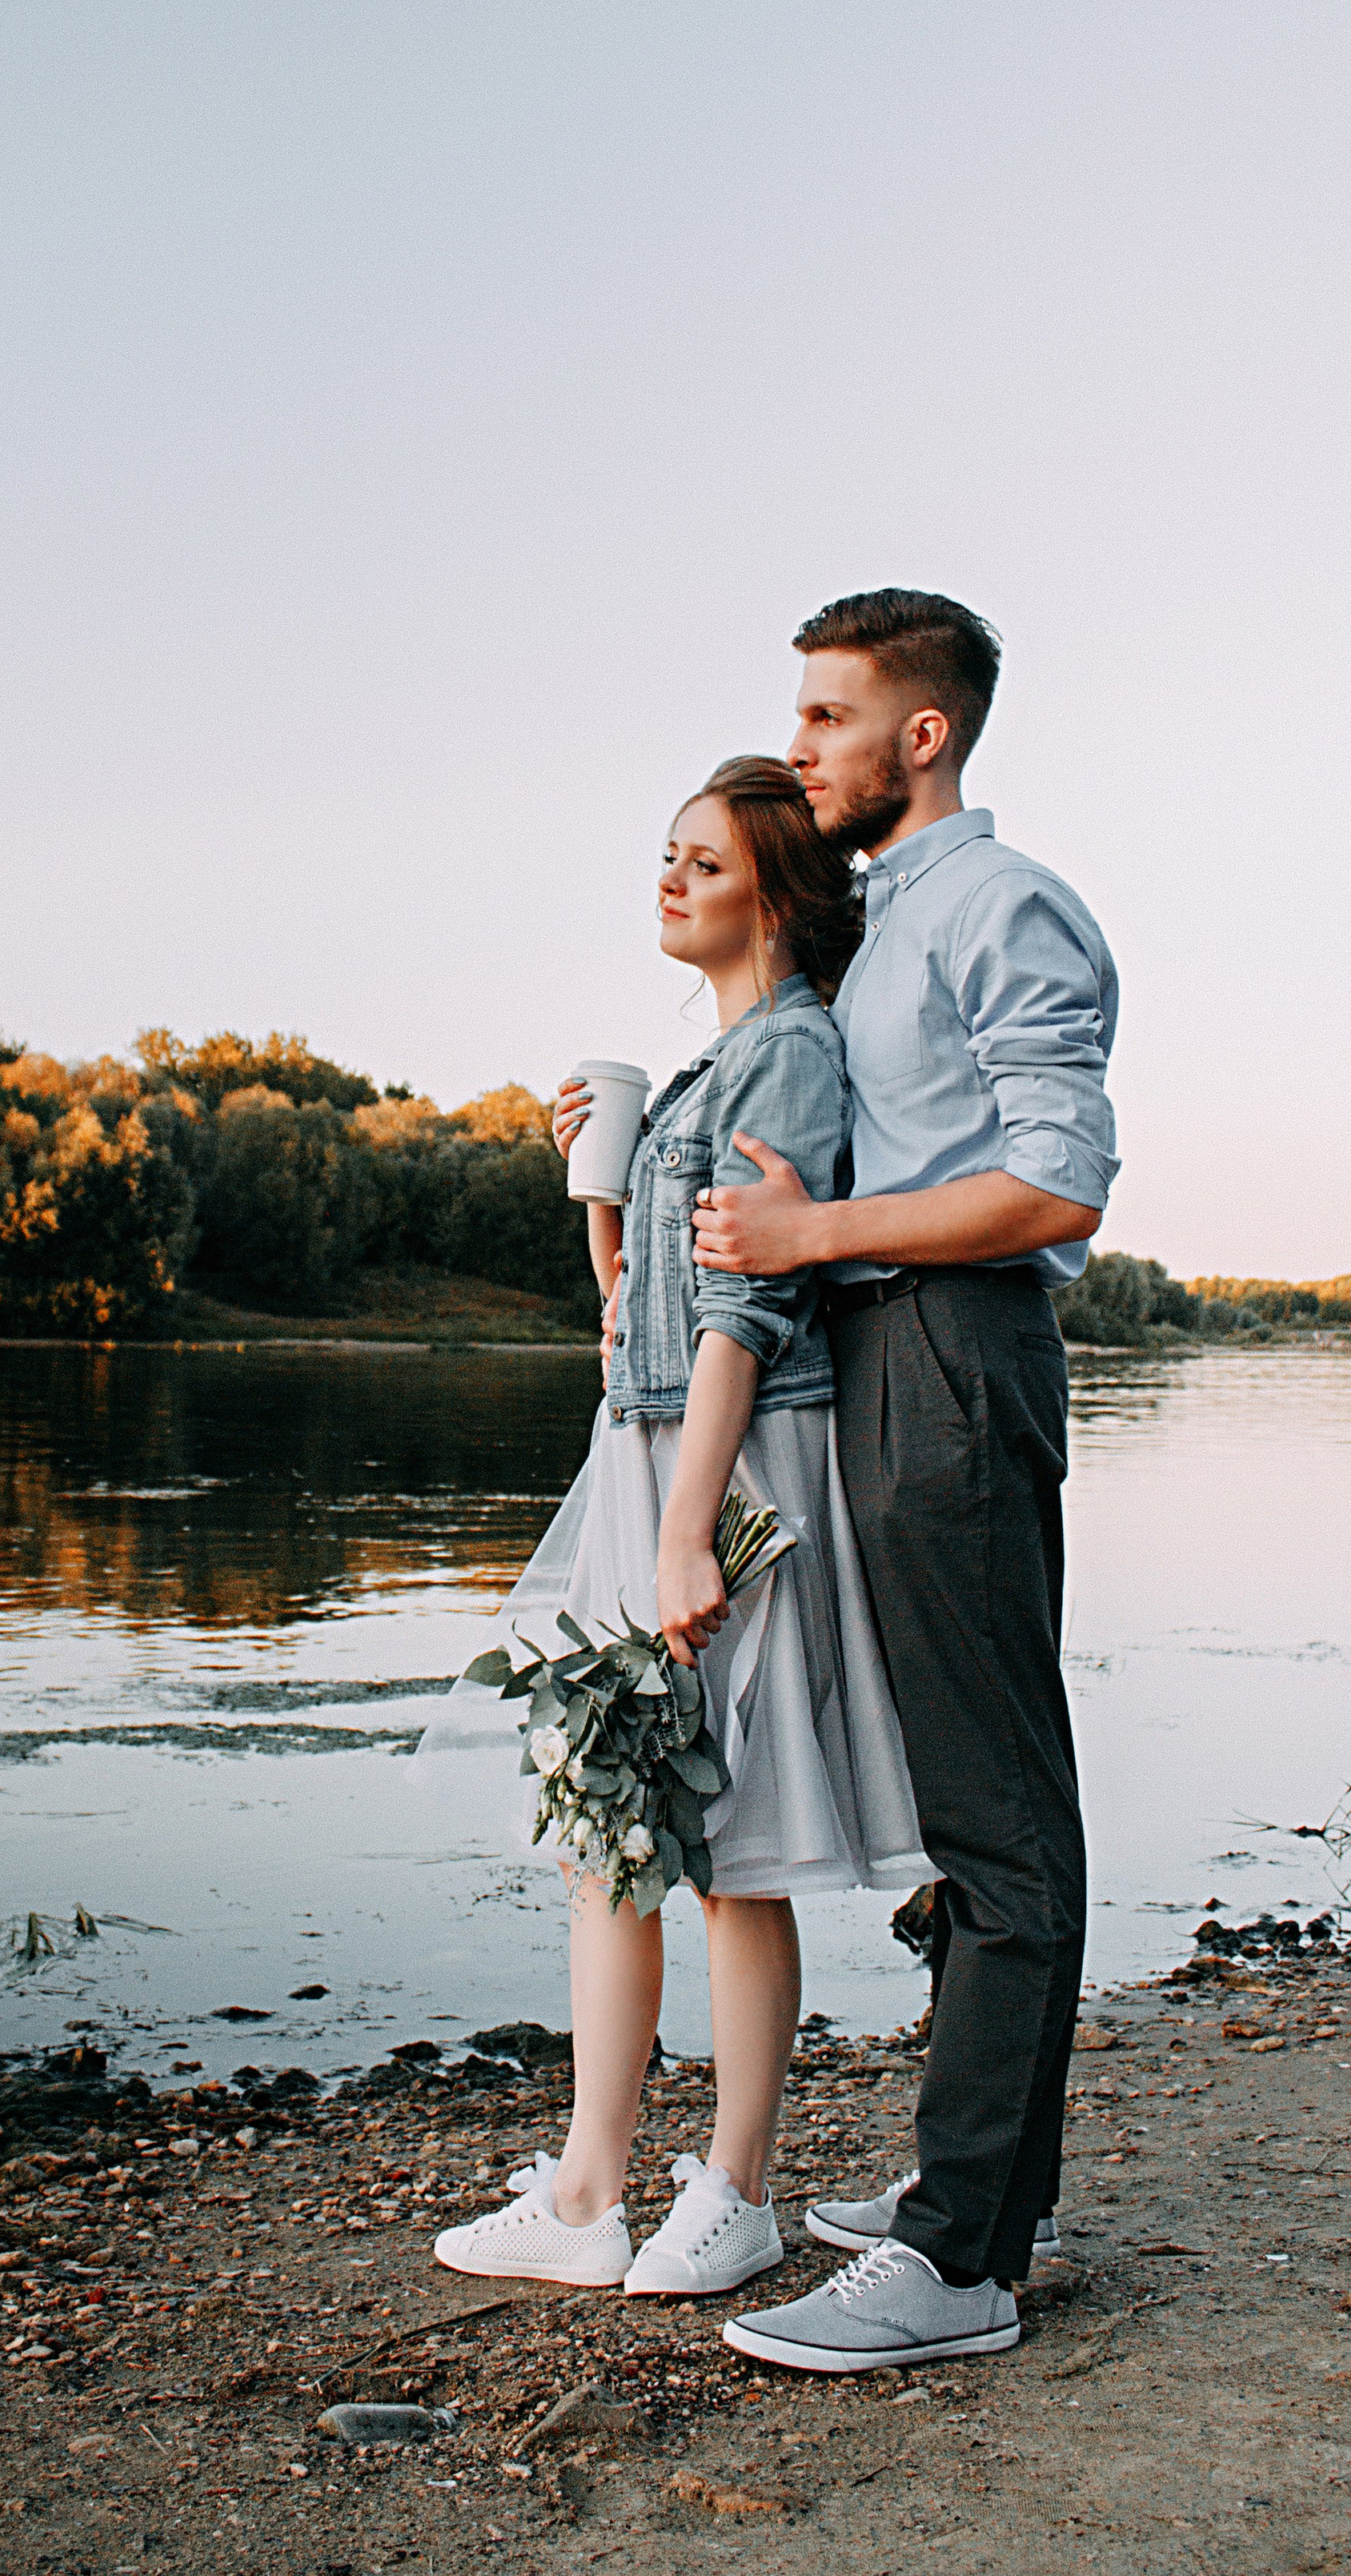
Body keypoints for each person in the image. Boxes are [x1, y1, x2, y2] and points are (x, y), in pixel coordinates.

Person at [423, 757, 931, 2300]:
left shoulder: (788, 1056)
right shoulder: (705, 1068)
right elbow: (633, 1311)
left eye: (699, 864)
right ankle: (586, 2193)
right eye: (665, 858)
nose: (668, 881)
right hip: (652, 1452)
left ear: (771, 894)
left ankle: (738, 2187)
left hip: (728, 1466)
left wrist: (692, 1531)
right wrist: (598, 1179)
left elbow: (747, 1313)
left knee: (734, 1850)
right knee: (612, 1828)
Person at [688, 588, 1119, 2375]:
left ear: (918, 733)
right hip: (883, 1357)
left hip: (951, 1347)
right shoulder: (881, 931)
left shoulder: (1003, 905)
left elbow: (1060, 1184)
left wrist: (811, 1233)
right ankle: (984, 2203)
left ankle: (953, 2263)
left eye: (825, 715)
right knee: (968, 1803)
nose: (799, 745)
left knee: (999, 1813)